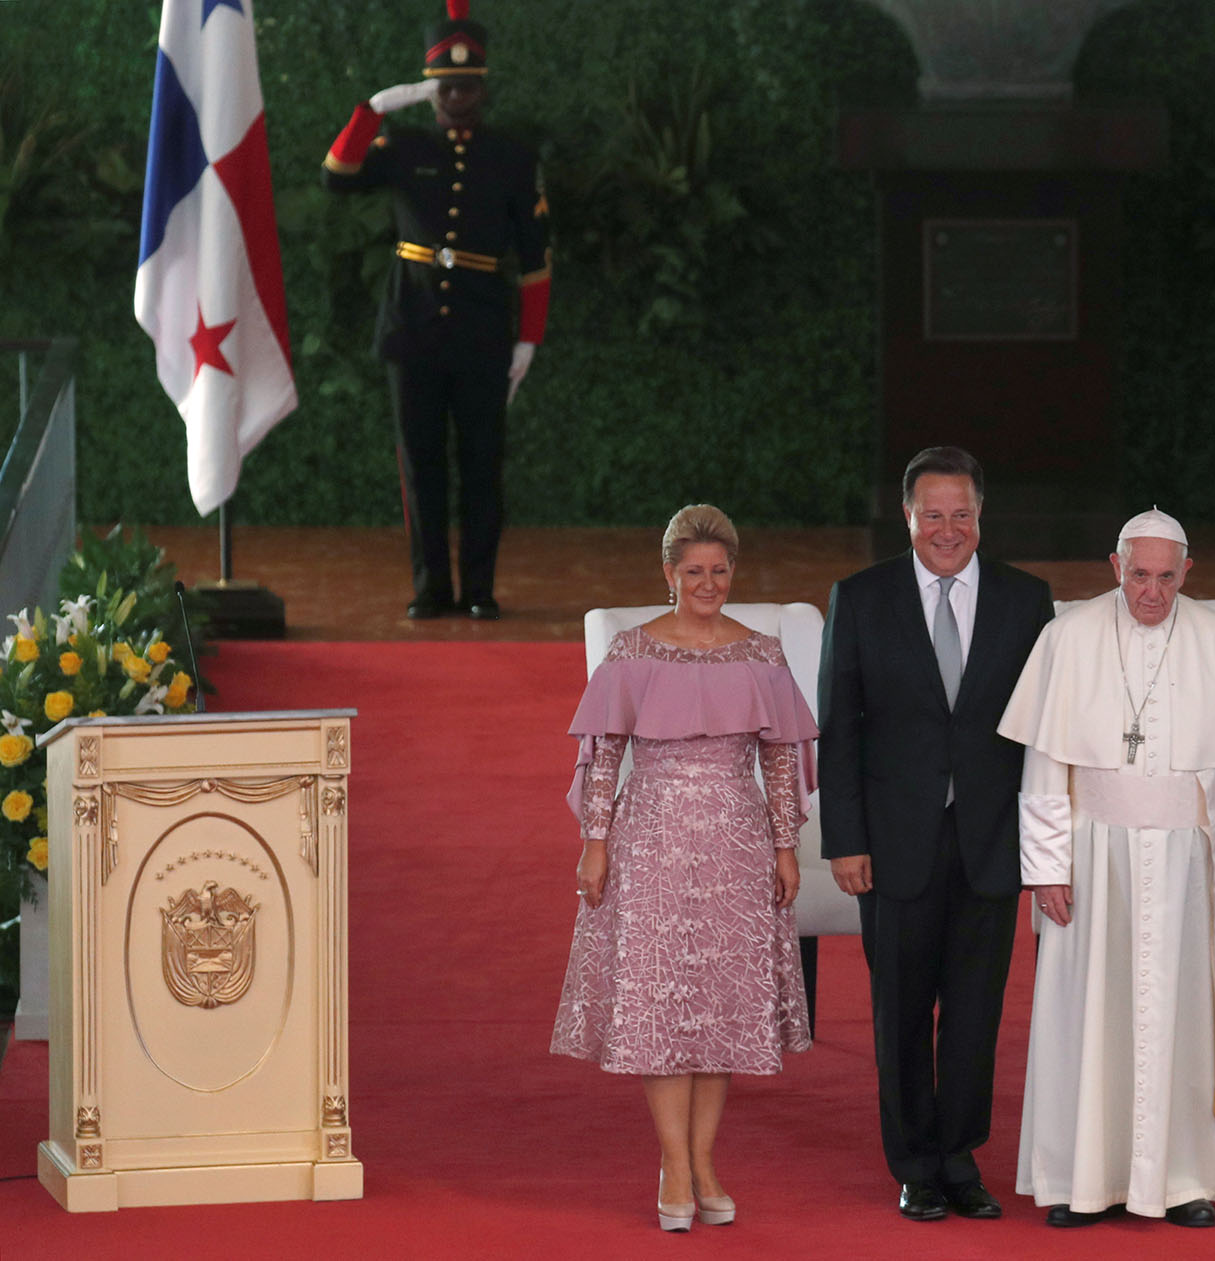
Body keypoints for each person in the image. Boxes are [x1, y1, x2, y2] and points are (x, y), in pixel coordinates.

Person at [998, 509, 1215, 1229]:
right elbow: (1043, 765)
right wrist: (1045, 866)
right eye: (1138, 574)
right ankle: (1079, 1176)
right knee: (1087, 1012)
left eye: (1165, 576)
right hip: (1093, 857)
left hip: (1191, 859)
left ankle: (1183, 1174)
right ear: (1114, 566)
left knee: (1184, 1011)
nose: (1151, 591)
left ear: (1187, 571)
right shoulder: (1066, 638)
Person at [551, 504, 815, 1233]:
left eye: (720, 571)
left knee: (721, 1003)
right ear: (669, 575)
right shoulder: (633, 652)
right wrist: (595, 841)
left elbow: (780, 757)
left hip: (736, 836)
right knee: (663, 1003)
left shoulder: (761, 652)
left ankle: (704, 1162)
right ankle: (672, 1162)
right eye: (694, 571)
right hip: (652, 836)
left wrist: (786, 843)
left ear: (734, 573)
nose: (708, 583)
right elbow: (603, 756)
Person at [816, 446, 1054, 1223]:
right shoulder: (860, 598)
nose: (947, 529)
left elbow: (1048, 735)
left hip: (993, 840)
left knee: (977, 1014)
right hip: (891, 843)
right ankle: (915, 1162)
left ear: (981, 516)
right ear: (908, 517)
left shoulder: (1028, 600)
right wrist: (844, 840)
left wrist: (1050, 844)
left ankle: (960, 1157)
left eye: (962, 513)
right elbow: (840, 729)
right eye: (932, 514)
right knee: (901, 1011)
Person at [322, 0, 551, 621]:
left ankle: (478, 588)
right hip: (412, 328)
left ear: (482, 89)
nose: (457, 96)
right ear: (429, 90)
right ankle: (431, 586)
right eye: (446, 86)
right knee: (419, 465)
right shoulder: (404, 145)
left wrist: (527, 341)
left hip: (481, 331)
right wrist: (371, 111)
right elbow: (338, 176)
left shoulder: (512, 156)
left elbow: (535, 259)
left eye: (467, 86)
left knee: (482, 466)